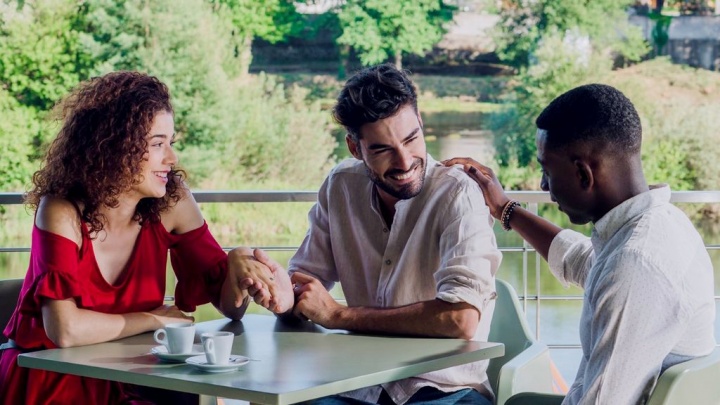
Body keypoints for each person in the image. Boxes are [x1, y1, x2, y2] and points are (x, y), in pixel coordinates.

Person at [234, 64, 502, 405]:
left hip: (446, 390)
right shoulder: (340, 185)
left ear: (421, 123)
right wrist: (284, 295)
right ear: (354, 148)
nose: (404, 162)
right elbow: (306, 284)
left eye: (411, 139)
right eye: (382, 149)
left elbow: (460, 319)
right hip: (357, 385)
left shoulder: (458, 194)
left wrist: (338, 316)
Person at [444, 83, 716, 405]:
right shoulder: (663, 225)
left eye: (547, 171)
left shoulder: (636, 265)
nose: (543, 186)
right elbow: (580, 260)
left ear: (583, 174)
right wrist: (506, 209)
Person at [0, 71, 260, 404]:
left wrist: (239, 264)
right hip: (50, 378)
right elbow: (64, 330)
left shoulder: (173, 201)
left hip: (131, 373)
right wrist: (153, 319)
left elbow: (231, 309)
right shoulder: (60, 209)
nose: (172, 158)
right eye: (157, 144)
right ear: (114, 147)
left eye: (171, 143)